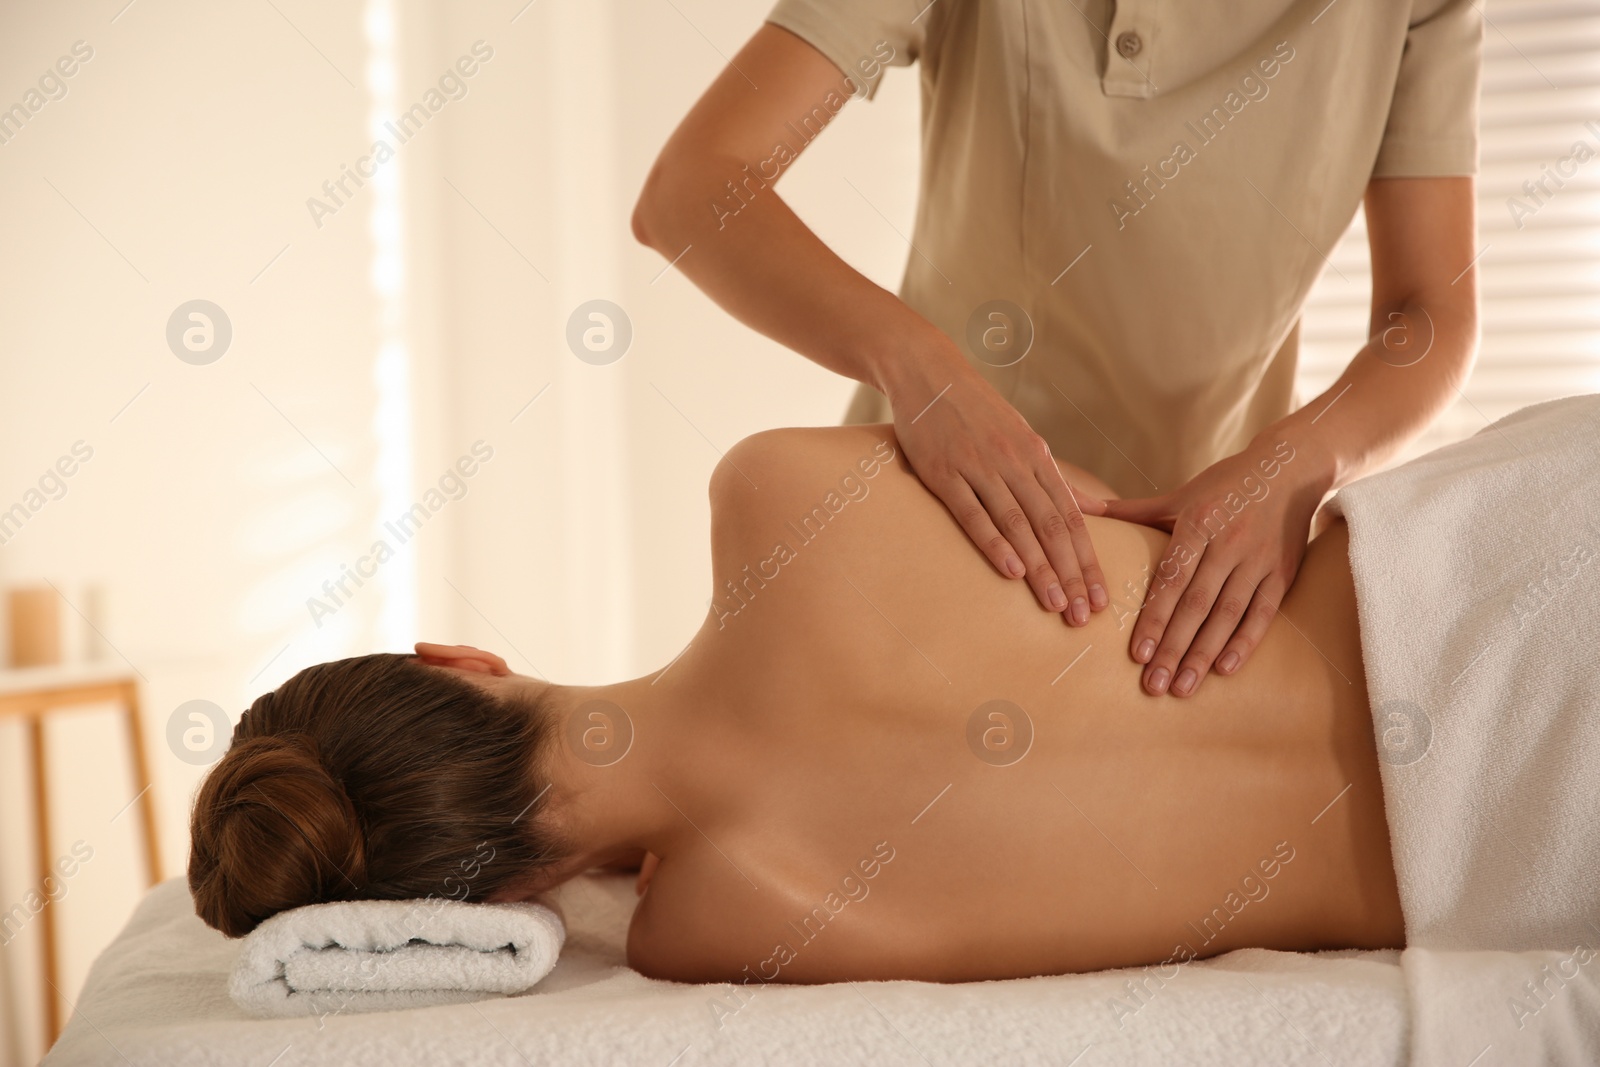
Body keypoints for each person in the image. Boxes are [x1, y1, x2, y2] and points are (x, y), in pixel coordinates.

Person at [189, 422, 1402, 982]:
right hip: (1464, 571)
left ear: (489, 900)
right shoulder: (773, 492)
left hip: (1486, 847)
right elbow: (1089, 500)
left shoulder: (712, 926)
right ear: (457, 661)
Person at [630, 1, 1482, 700]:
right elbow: (693, 189)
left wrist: (1298, 464)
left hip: (1190, 587)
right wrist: (925, 375)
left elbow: (1429, 312)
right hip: (921, 522)